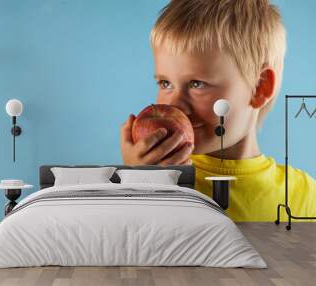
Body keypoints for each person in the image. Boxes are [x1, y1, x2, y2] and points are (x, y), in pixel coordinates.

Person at [120, 0, 316, 221]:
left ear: (259, 87)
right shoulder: (160, 177)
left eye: (197, 84)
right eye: (165, 83)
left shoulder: (305, 196)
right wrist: (137, 185)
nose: (175, 105)